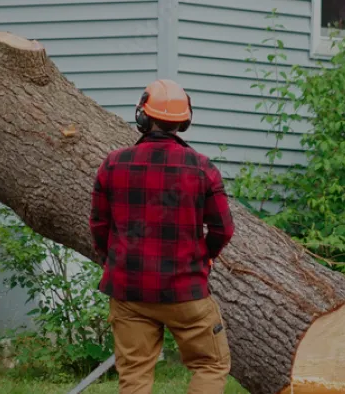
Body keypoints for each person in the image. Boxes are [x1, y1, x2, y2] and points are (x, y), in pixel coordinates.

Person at [89, 79, 235, 394]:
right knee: (210, 365)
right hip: (186, 290)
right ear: (184, 121)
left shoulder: (112, 164)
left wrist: (112, 260)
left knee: (135, 375)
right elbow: (224, 229)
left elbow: (99, 226)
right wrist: (204, 257)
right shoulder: (201, 168)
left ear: (142, 116)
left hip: (129, 290)